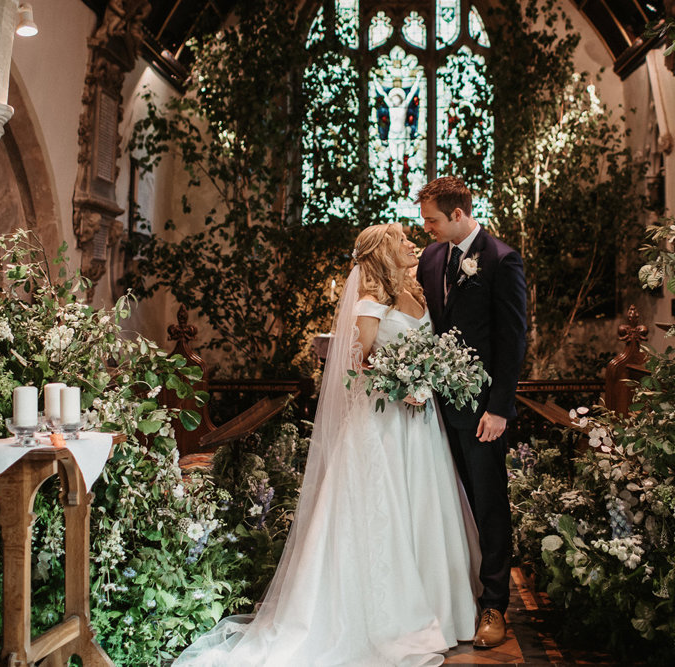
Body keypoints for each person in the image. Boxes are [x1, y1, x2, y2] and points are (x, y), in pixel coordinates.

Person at [174, 223, 480, 667]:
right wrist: (403, 383)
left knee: (425, 506)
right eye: (400, 239)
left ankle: (440, 609)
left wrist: (429, 375)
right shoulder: (369, 301)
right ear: (381, 253)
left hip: (421, 422)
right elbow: (360, 364)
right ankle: (388, 615)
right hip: (384, 424)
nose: (411, 242)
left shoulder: (417, 294)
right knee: (384, 512)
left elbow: (425, 347)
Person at [415, 176, 527, 649]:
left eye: (432, 220)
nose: (427, 229)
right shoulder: (431, 258)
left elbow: (514, 339)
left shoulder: (501, 259)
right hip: (430, 409)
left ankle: (495, 605)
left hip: (482, 411)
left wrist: (499, 407)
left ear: (458, 214)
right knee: (446, 503)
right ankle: (453, 598)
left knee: (487, 503)